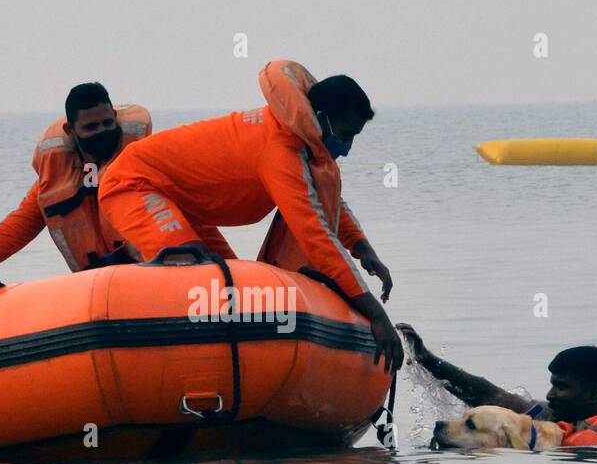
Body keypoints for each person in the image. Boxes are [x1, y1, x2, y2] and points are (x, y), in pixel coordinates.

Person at [97, 60, 402, 372]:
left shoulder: (299, 141)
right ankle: (163, 369)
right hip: (133, 184)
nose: (347, 148)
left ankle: (240, 380)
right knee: (197, 279)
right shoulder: (279, 151)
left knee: (235, 295)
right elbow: (316, 235)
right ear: (321, 118)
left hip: (179, 199)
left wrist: (363, 248)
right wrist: (377, 315)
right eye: (345, 134)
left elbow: (327, 205)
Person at [0, 83, 151, 280]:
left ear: (115, 118)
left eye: (107, 123)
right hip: (97, 284)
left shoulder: (146, 162)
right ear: (70, 130)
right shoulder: (55, 182)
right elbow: (16, 229)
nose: (102, 132)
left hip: (153, 275)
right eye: (91, 127)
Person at [399, 324, 597, 446]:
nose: (551, 394)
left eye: (562, 387)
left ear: (593, 394)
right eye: (552, 385)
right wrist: (426, 359)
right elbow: (487, 394)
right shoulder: (543, 416)